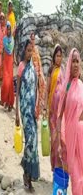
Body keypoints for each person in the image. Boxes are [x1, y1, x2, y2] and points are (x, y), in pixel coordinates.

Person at [57, 48, 83, 194]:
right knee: (76, 178)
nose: (75, 64)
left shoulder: (81, 86)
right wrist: (61, 139)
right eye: (73, 61)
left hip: (82, 138)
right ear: (69, 64)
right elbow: (60, 115)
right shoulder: (66, 87)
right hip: (71, 139)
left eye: (77, 61)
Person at [15, 39, 39, 192]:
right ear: (24, 51)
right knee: (30, 140)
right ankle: (26, 173)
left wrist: (37, 107)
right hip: (24, 110)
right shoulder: (21, 67)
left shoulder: (33, 68)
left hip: (32, 110)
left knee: (34, 143)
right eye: (28, 50)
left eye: (32, 51)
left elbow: (36, 89)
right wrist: (16, 112)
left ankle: (29, 176)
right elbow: (17, 92)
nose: (30, 53)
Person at [46, 44, 66, 171]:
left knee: (60, 140)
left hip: (60, 113)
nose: (59, 58)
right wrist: (44, 108)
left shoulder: (63, 70)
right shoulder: (51, 70)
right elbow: (48, 89)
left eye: (60, 56)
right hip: (52, 112)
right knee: (53, 141)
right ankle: (54, 167)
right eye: (57, 56)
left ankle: (59, 167)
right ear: (53, 57)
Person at [30, 32, 46, 118]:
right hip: (32, 74)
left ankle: (37, 112)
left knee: (38, 93)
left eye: (34, 39)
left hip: (38, 74)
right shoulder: (29, 49)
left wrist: (41, 73)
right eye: (31, 39)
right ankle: (32, 111)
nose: (33, 41)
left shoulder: (36, 49)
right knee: (33, 93)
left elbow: (39, 61)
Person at [1, 21, 14, 111]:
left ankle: (10, 103)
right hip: (6, 63)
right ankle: (4, 100)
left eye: (10, 29)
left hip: (10, 63)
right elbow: (3, 50)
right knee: (5, 83)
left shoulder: (12, 39)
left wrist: (15, 60)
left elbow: (12, 51)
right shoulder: (4, 39)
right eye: (7, 29)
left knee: (10, 84)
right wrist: (2, 62)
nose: (8, 31)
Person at [0, 13, 6, 82]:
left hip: (4, 49)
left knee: (3, 64)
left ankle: (2, 77)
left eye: (3, 18)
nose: (2, 20)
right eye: (1, 18)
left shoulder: (6, 27)